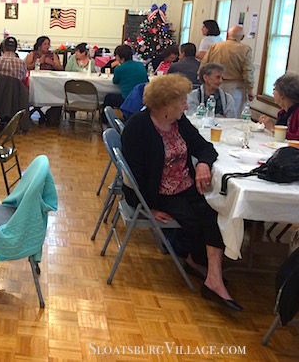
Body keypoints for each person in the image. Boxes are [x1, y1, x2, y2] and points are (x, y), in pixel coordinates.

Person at [122, 74, 242, 312]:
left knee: (215, 214)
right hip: (160, 194)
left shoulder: (179, 122)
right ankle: (205, 271)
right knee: (201, 220)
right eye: (182, 102)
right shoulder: (138, 127)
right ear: (165, 104)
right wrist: (146, 207)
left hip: (186, 186)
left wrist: (202, 164)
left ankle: (207, 273)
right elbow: (132, 176)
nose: (187, 106)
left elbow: (205, 147)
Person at [200, 25, 254, 117]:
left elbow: (204, 64)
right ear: (242, 37)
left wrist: (202, 80)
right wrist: (250, 89)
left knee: (212, 112)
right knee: (233, 116)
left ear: (228, 35)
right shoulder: (245, 49)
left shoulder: (215, 46)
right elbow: (247, 71)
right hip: (235, 88)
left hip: (213, 85)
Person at [103, 44, 148, 108]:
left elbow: (115, 81)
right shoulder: (141, 65)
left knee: (108, 98)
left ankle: (106, 117)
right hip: (142, 99)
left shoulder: (119, 69)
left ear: (119, 57)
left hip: (127, 99)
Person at [259, 72, 299, 140]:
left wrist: (273, 129)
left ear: (283, 94)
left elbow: (296, 138)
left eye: (274, 89)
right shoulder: (283, 112)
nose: (273, 92)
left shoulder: (297, 112)